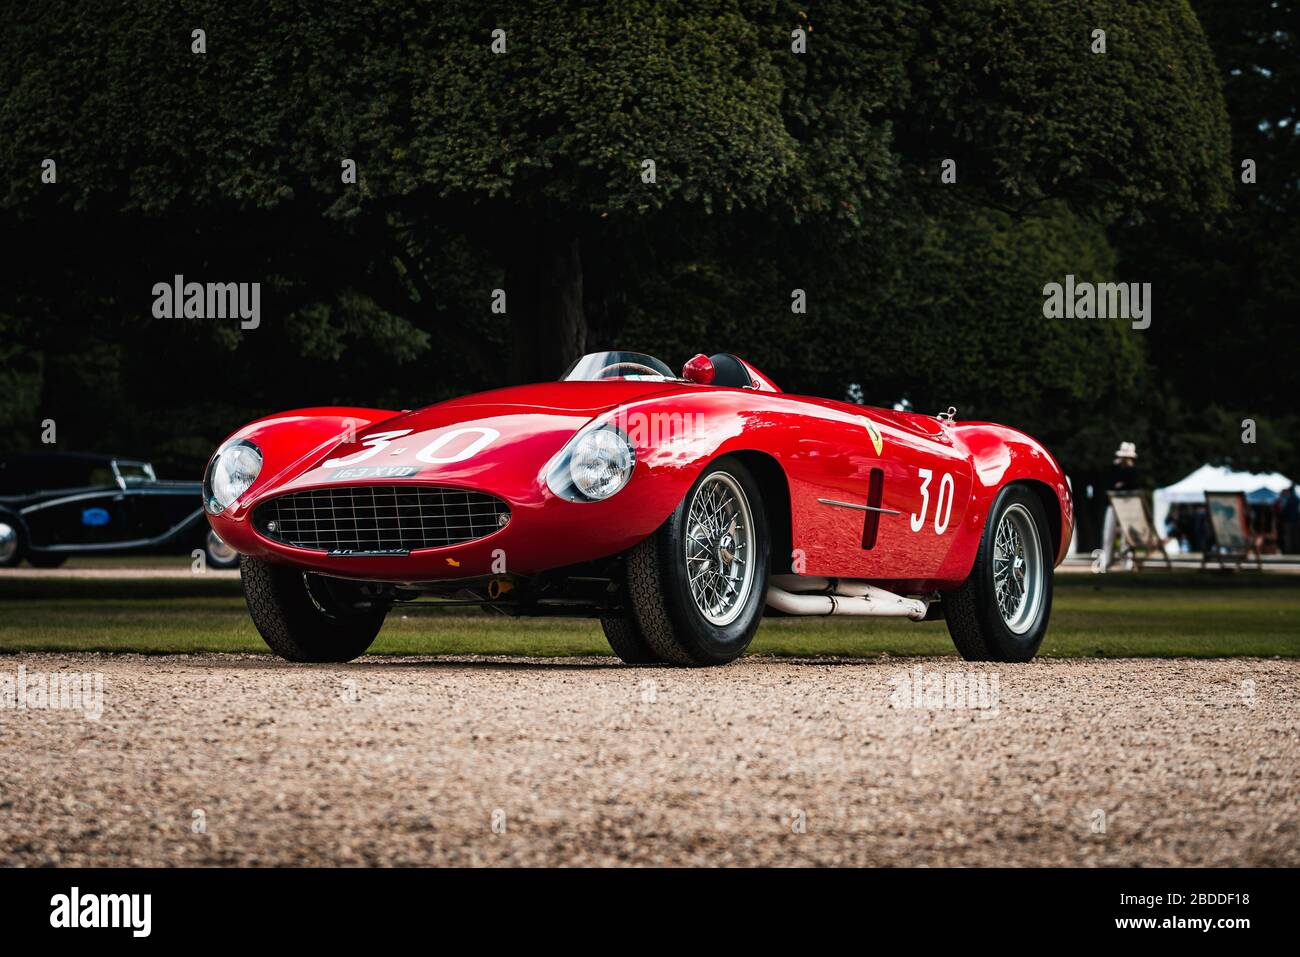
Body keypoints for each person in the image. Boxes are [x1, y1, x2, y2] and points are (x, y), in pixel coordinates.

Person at [1100, 441, 1140, 569]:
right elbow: (1109, 485)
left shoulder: (1133, 471)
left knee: (1126, 536)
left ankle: (1125, 564)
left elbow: (1132, 486)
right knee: (1108, 533)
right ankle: (1106, 562)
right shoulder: (1115, 469)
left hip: (1127, 506)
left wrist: (1121, 485)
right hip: (1113, 504)